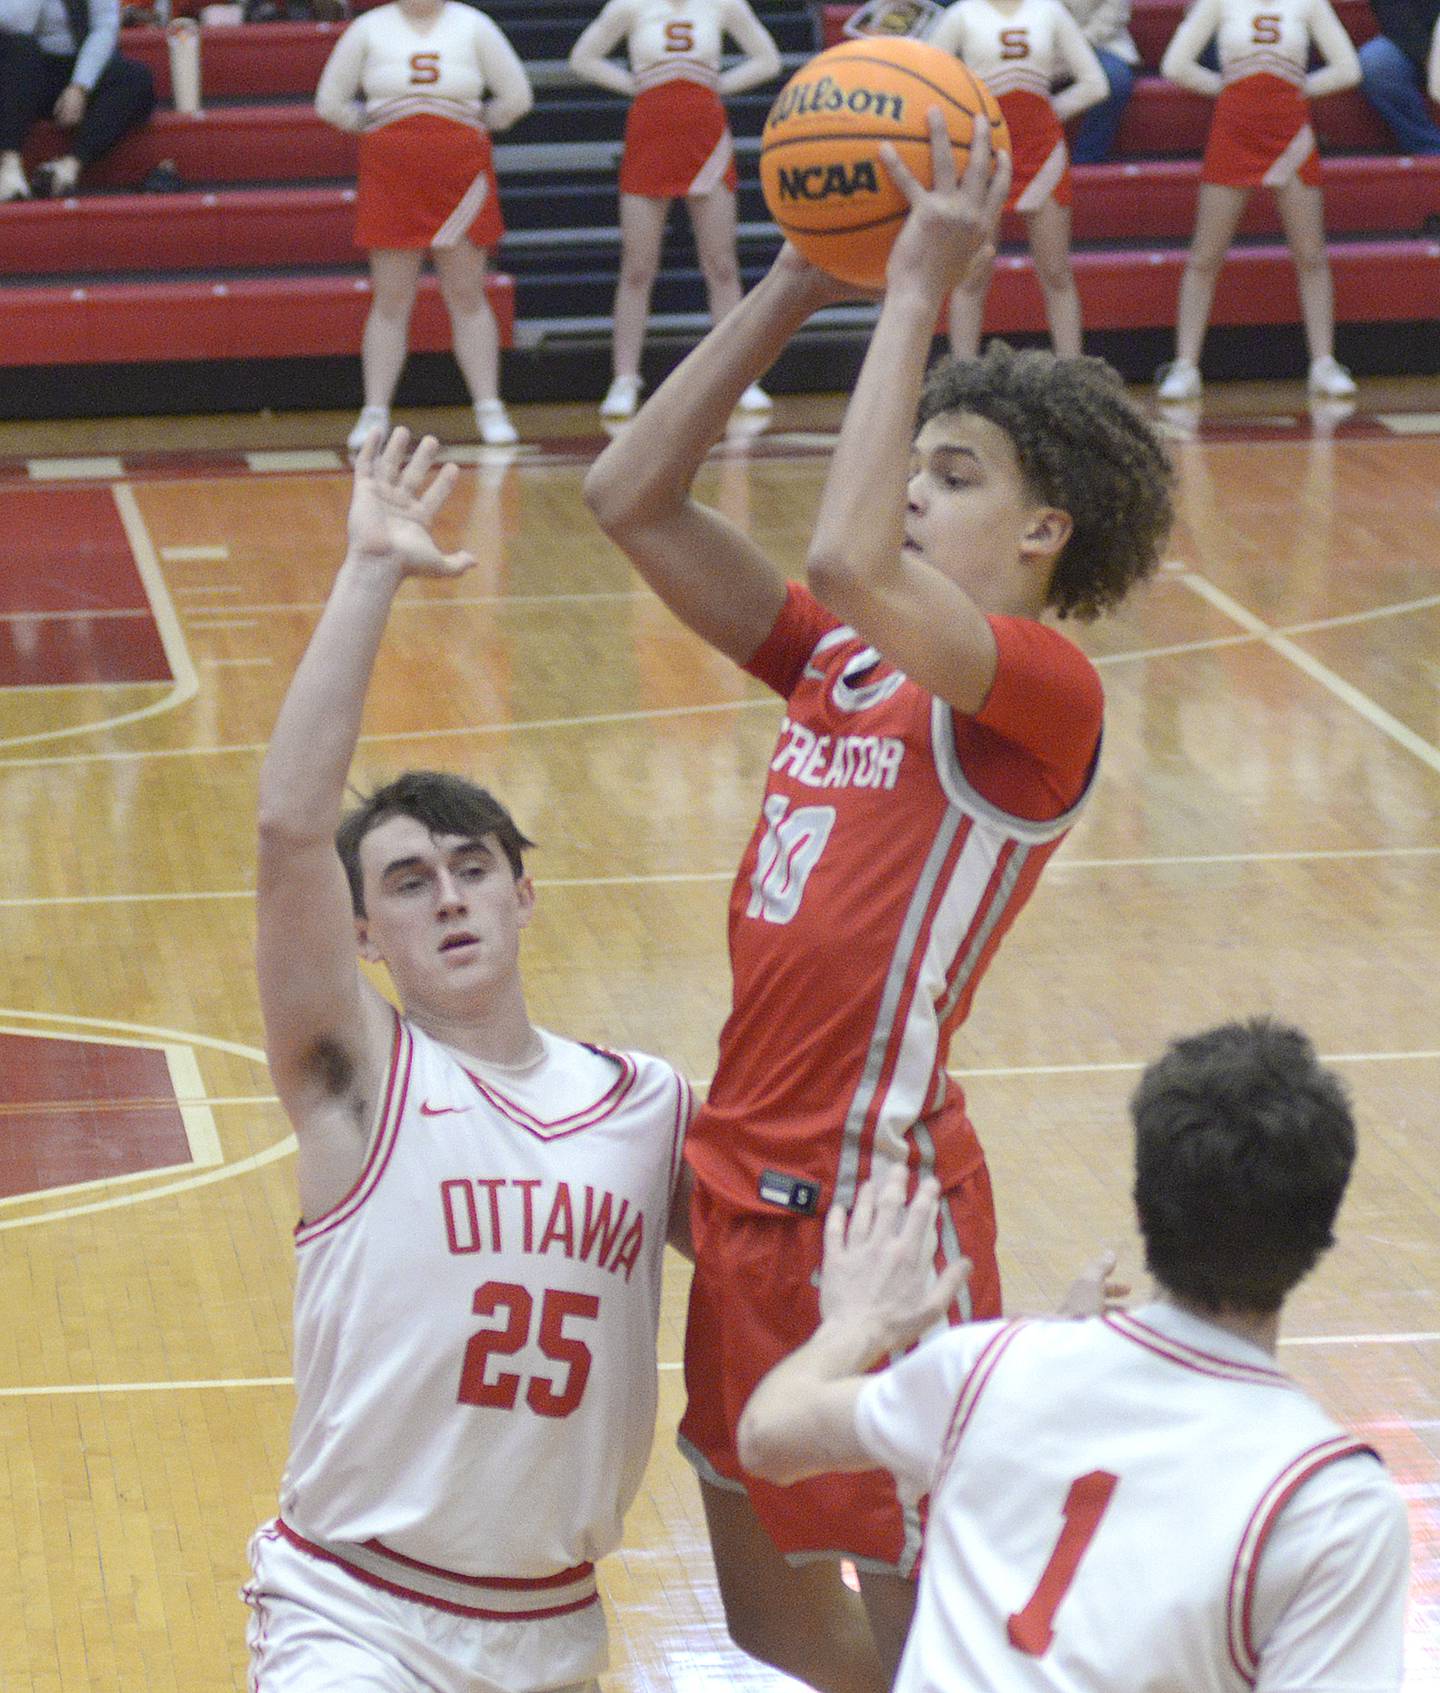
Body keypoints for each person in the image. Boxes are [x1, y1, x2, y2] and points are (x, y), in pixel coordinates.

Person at [584, 113, 1175, 1693]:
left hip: (866, 1208)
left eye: (955, 473)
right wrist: (795, 275)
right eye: (912, 462)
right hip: (742, 1178)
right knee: (774, 1615)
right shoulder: (842, 665)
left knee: (935, 1619)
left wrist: (914, 291)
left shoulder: (1038, 694)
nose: (912, 488)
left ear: (1045, 533)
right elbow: (630, 497)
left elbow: (847, 555)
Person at [244, 425, 693, 1691]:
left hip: (554, 1624)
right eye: (406, 880)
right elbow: (288, 831)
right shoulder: (360, 1081)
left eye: (472, 866)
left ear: (522, 895)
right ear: (363, 934)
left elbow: (789, 1252)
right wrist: (371, 570)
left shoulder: (648, 1103)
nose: (446, 895)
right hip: (356, 1612)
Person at [738, 1017, 1411, 1693]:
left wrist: (854, 1325)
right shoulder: (1335, 1504)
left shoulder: (991, 1369)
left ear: (1144, 1205)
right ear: (1323, 1232)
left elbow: (769, 1435)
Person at [314, 0, 533, 452]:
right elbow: (330, 103)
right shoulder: (367, 29)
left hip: (460, 173)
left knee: (467, 293)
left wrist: (470, 125)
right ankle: (374, 412)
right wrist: (377, 129)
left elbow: (516, 97)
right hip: (391, 175)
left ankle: (489, 407)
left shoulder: (474, 24)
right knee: (391, 297)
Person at [567, 0, 782, 420]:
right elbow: (583, 58)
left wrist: (716, 84)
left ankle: (740, 379)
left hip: (706, 133)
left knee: (721, 265)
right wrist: (636, 84)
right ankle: (624, 379)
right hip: (649, 131)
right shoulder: (627, 5)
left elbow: (767, 60)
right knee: (637, 267)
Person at [1156, 0, 1362, 402]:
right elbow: (1174, 65)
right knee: (1205, 253)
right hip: (1234, 130)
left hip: (1291, 132)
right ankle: (1184, 367)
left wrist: (1301, 89)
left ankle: (1324, 363)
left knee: (1311, 254)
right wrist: (1224, 88)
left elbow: (1348, 69)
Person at [930, 0, 1109, 358]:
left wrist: (1052, 110)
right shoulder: (960, 15)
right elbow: (927, 85)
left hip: (1041, 152)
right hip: (984, 154)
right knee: (972, 276)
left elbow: (1095, 83)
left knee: (1056, 273)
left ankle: (1070, 378)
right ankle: (965, 379)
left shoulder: (1050, 11)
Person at [0, 0, 153, 201]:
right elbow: (16, 25)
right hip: (24, 66)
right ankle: (9, 165)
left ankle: (67, 168)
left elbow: (105, 27)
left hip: (78, 62)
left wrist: (80, 86)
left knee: (136, 78)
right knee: (20, 49)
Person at [1058, 0, 1140, 162]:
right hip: (1042, 42)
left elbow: (1112, 16)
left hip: (1102, 42)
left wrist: (1073, 48)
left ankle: (1087, 160)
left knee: (1116, 79)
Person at [1358, 0, 1440, 152]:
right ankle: (1430, 152)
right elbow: (1394, 13)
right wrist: (1427, 55)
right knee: (1376, 62)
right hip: (1416, 42)